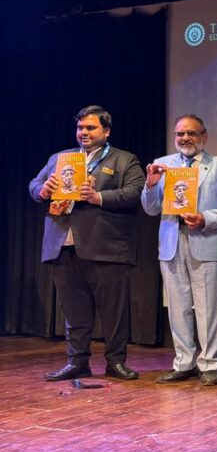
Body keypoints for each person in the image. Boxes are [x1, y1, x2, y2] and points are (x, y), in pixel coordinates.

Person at [29, 105, 145, 381]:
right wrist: (43, 190)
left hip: (106, 248)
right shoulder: (60, 158)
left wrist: (98, 197)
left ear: (106, 131)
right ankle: (77, 361)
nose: (84, 132)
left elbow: (136, 191)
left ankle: (115, 362)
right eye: (80, 127)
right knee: (75, 312)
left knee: (114, 312)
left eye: (91, 127)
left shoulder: (124, 159)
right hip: (63, 246)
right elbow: (34, 184)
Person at [142, 114, 217, 387]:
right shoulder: (162, 164)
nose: (185, 138)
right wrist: (150, 184)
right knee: (178, 308)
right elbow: (150, 209)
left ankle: (209, 364)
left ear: (203, 136)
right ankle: (183, 363)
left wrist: (205, 218)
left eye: (191, 133)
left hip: (205, 240)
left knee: (208, 308)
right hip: (171, 244)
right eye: (180, 134)